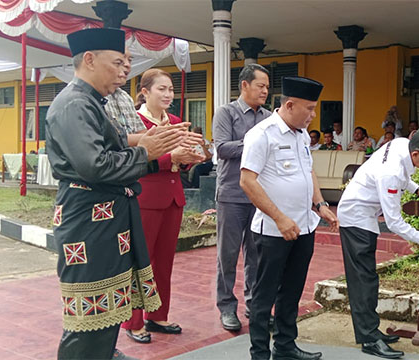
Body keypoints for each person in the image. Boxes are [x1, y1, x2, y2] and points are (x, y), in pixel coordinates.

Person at [47, 28, 197, 360]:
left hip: (105, 221)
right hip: (88, 223)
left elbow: (112, 145)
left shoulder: (93, 102)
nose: (122, 71)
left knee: (108, 311)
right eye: (116, 63)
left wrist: (150, 142)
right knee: (88, 317)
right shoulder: (74, 104)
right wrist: (148, 151)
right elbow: (94, 165)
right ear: (89, 60)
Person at [240, 76, 338, 360]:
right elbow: (247, 181)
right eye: (309, 109)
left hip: (305, 226)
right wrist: (280, 218)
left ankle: (285, 346)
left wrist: (319, 204)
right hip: (272, 231)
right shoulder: (262, 134)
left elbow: (308, 172)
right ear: (290, 104)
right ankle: (260, 353)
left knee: (292, 291)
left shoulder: (302, 135)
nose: (313, 115)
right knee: (263, 296)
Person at [337, 127, 419, 359]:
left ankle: (371, 330)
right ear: (417, 153)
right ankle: (369, 339)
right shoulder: (391, 173)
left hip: (364, 213)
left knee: (368, 278)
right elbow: (394, 223)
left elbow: (403, 177)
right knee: (363, 281)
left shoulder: (401, 144)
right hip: (356, 217)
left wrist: (418, 190)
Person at [121, 69, 205, 344]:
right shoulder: (136, 123)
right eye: (162, 89)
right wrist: (172, 158)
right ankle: (133, 321)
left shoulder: (177, 121)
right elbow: (134, 162)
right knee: (139, 260)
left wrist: (193, 157)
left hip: (173, 197)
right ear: (145, 92)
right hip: (145, 197)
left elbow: (183, 160)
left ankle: (157, 314)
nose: (168, 94)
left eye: (170, 89)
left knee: (165, 261)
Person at [212, 63, 271, 331]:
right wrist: (256, 142)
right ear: (245, 85)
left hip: (260, 196)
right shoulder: (226, 113)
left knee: (257, 255)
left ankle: (254, 305)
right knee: (228, 254)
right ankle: (226, 307)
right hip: (232, 194)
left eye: (268, 87)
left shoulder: (271, 117)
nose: (265, 92)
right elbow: (222, 148)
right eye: (261, 86)